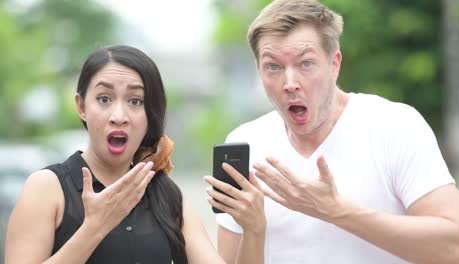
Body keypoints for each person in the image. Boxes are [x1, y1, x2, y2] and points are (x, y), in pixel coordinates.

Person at [204, 0, 459, 263]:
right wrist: (254, 229)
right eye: (273, 66)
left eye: (306, 64)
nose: (290, 83)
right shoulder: (246, 142)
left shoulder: (394, 126)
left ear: (334, 64)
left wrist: (336, 211)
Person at [5, 45, 265, 264]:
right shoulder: (46, 188)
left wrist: (254, 229)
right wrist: (93, 228)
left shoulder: (167, 196)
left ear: (150, 114)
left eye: (135, 101)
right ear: (81, 107)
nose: (119, 116)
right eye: (104, 99)